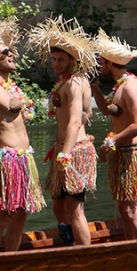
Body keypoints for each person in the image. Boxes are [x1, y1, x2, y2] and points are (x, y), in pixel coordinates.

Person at [0, 19, 46, 253]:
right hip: (8, 159)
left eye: (11, 50)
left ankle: (11, 256)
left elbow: (25, 114)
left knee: (21, 212)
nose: (12, 53)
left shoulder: (12, 87)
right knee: (4, 213)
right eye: (5, 52)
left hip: (24, 158)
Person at [28, 16, 98, 246]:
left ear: (72, 59)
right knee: (58, 203)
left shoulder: (76, 83)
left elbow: (76, 121)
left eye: (61, 59)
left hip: (74, 151)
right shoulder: (64, 82)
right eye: (54, 59)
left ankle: (85, 253)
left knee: (74, 208)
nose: (56, 63)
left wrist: (66, 155)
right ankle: (67, 238)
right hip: (62, 149)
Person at [90, 29, 137, 239]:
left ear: (110, 63)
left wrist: (110, 141)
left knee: (131, 210)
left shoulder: (131, 86)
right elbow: (108, 110)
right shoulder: (118, 86)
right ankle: (132, 248)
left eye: (100, 62)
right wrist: (95, 89)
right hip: (122, 153)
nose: (98, 66)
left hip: (132, 153)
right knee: (123, 210)